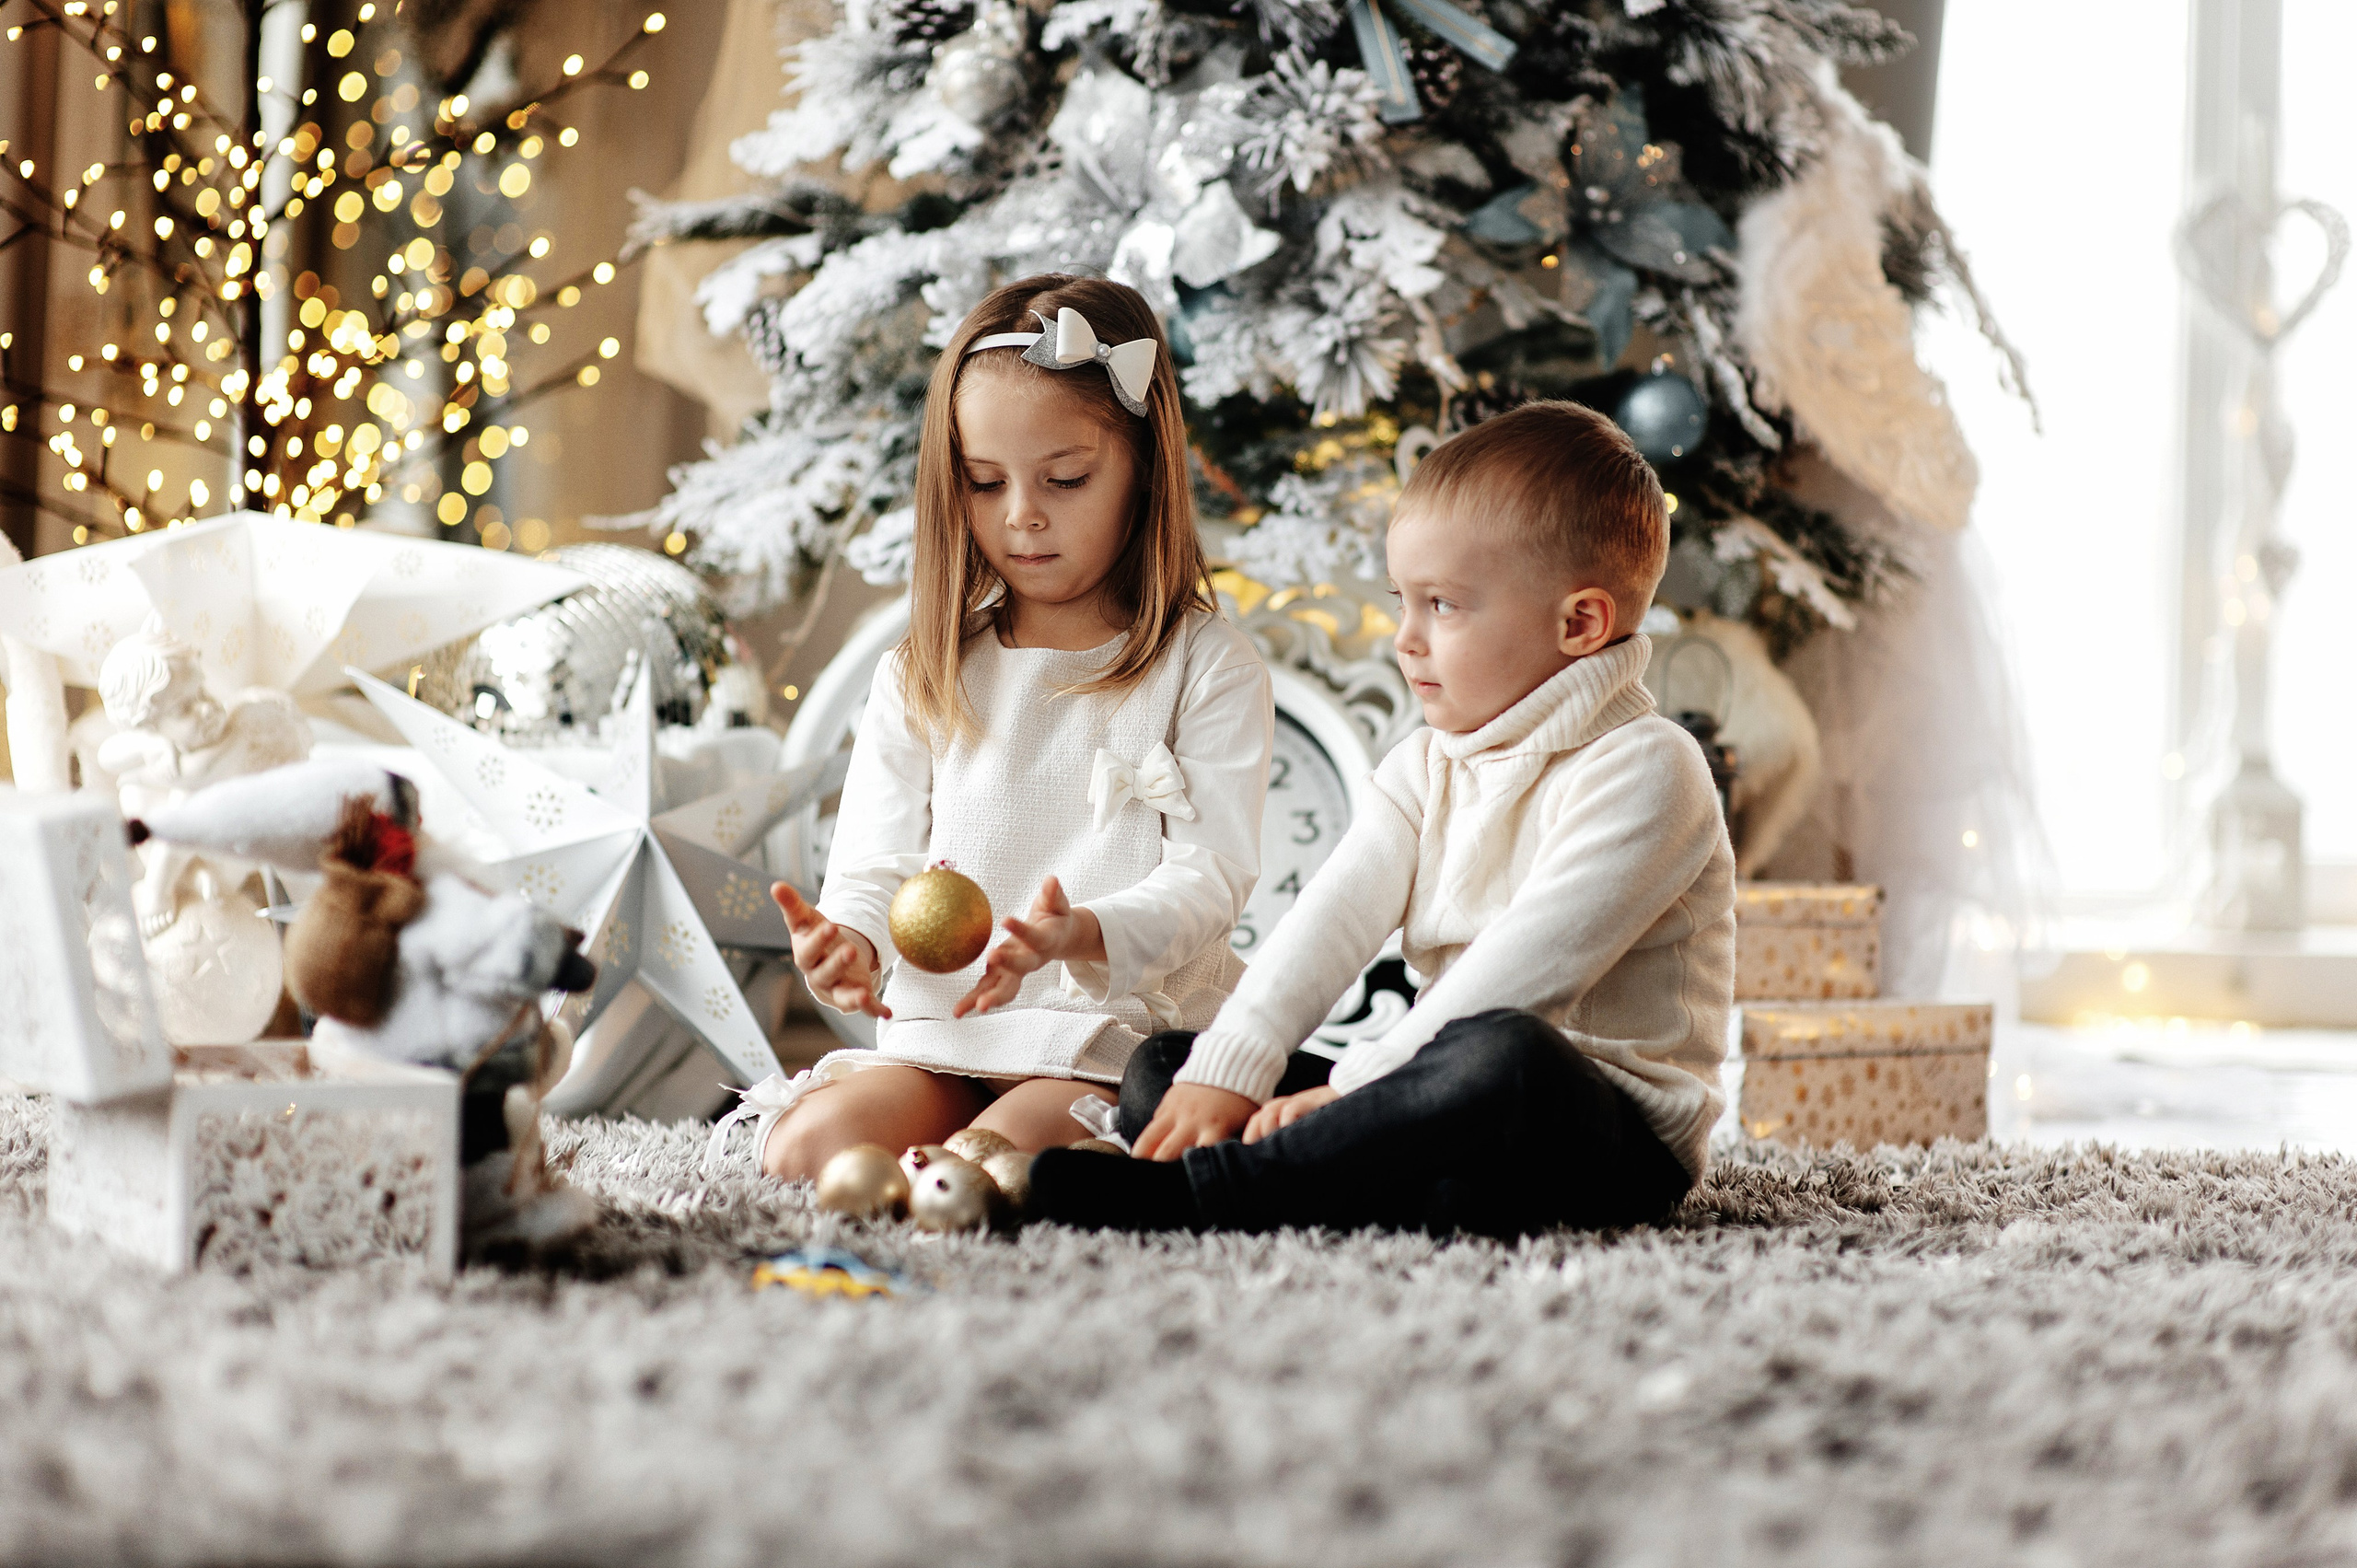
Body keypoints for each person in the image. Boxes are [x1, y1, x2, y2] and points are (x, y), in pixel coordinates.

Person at [1030, 400, 1736, 1237]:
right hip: (1429, 1085)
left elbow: (1518, 976)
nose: (1405, 639)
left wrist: (1353, 1092)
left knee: (1503, 1054)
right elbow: (1330, 918)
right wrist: (1229, 1068)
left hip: (1593, 1126)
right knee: (1166, 1066)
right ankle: (1393, 1190)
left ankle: (1217, 1194)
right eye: (1404, 600)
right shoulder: (1423, 764)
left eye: (1442, 605)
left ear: (1580, 623)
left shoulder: (1650, 768)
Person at [707, 275, 1273, 1179]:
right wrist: (848, 942)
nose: (1022, 515)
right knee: (803, 1149)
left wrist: (1080, 931)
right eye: (983, 481)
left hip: (1108, 1035)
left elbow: (1207, 882)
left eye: (1066, 478)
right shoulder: (924, 667)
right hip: (946, 1034)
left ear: (1142, 467)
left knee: (986, 1169)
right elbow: (875, 867)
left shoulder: (1205, 665)